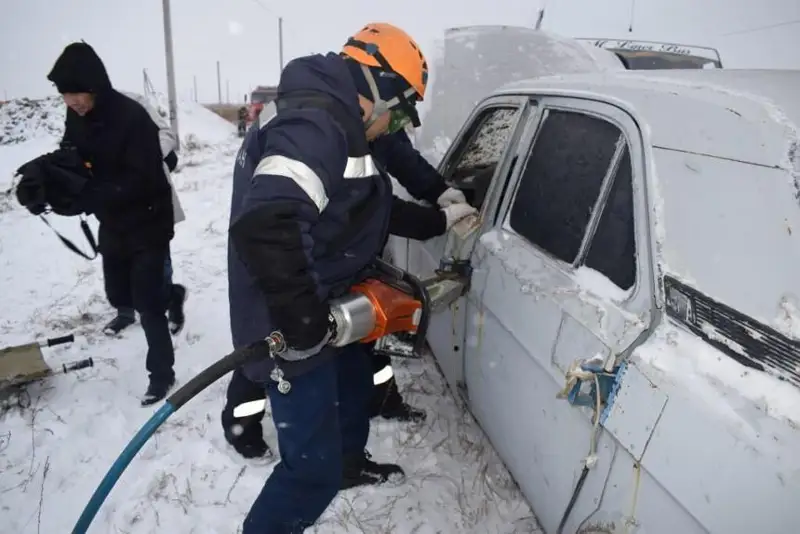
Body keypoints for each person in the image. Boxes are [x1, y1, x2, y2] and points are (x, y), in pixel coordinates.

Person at [224, 22, 476, 533]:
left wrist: (440, 212)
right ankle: (318, 479)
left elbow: (365, 205)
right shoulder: (316, 125)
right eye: (401, 111)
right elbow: (269, 225)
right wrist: (304, 322)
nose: (399, 126)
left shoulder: (342, 115)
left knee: (355, 381)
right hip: (289, 310)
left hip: (329, 288)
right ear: (375, 90)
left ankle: (347, 462)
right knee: (307, 473)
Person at [47, 42, 178, 406]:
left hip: (148, 221)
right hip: (113, 221)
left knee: (149, 305)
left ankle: (162, 375)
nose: (72, 101)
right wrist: (49, 179)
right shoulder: (77, 116)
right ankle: (160, 297)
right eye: (65, 95)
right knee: (119, 293)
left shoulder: (131, 117)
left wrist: (92, 196)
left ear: (95, 86)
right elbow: (71, 153)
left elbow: (143, 178)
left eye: (77, 93)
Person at [102, 92, 188, 338]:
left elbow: (167, 135)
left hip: (151, 201)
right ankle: (125, 312)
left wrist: (139, 160)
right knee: (118, 261)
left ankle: (171, 299)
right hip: (115, 204)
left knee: (158, 262)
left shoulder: (132, 103)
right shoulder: (83, 114)